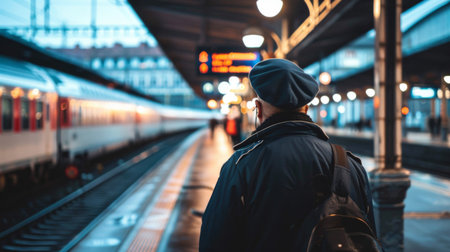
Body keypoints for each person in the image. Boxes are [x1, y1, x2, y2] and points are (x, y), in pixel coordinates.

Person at [199, 59, 375, 252]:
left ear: (258, 109)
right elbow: (369, 236)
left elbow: (214, 242)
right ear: (306, 109)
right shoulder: (349, 164)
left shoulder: (241, 165)